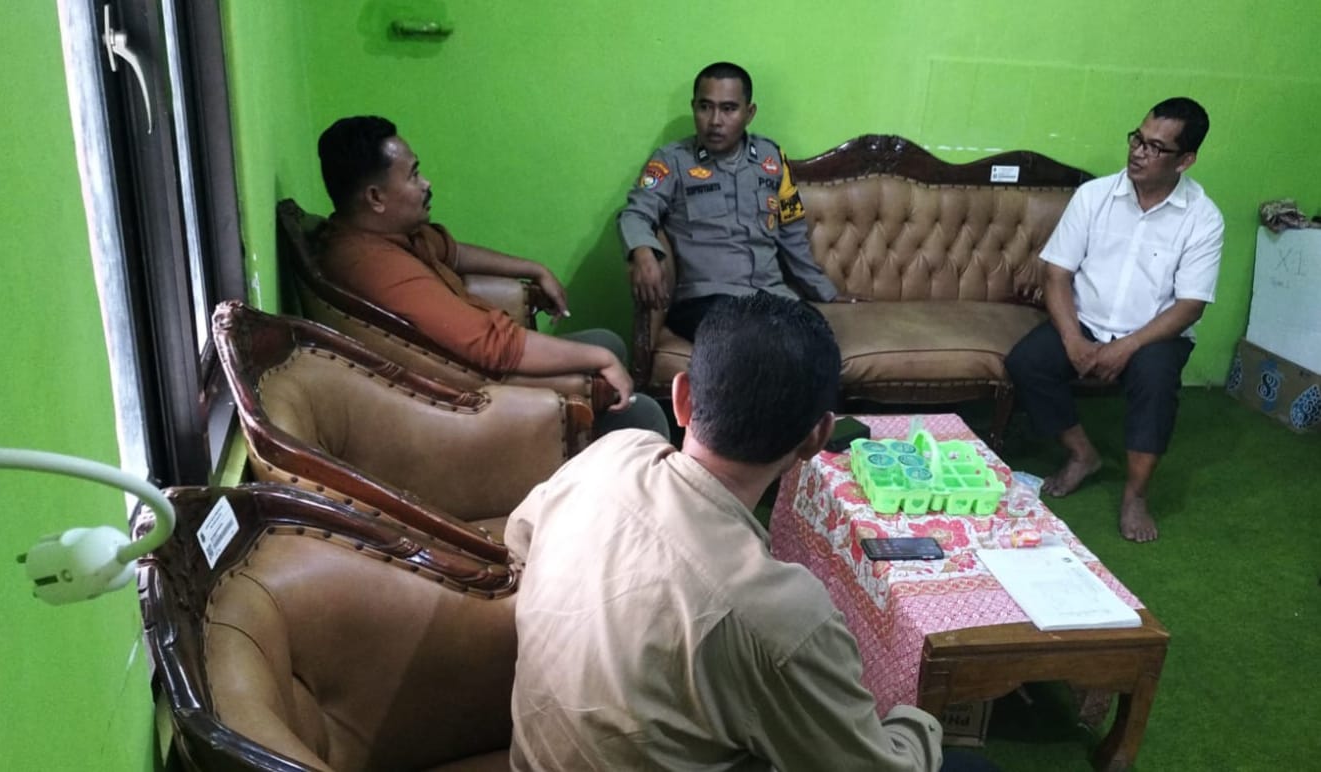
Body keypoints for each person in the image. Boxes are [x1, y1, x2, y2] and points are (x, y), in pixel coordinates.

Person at [507, 293, 967, 771]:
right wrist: (915, 718)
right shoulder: (781, 617)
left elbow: (519, 539)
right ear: (817, 437)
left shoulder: (612, 454)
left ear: (682, 399)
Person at [316, 115, 668, 438]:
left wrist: (534, 269)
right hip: (474, 395)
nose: (426, 183)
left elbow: (453, 252)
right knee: (642, 411)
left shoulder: (390, 235)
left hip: (482, 365)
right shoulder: (376, 265)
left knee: (607, 340)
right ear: (375, 197)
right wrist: (600, 360)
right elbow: (495, 346)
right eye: (413, 175)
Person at [1005, 97, 1224, 543]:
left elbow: (1190, 306)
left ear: (1185, 160)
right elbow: (1057, 274)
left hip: (1155, 333)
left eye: (1155, 147)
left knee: (1156, 382)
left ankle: (1135, 495)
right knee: (1027, 362)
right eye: (1137, 139)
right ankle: (1082, 454)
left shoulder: (1203, 218)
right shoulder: (1095, 196)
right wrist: (1073, 340)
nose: (1138, 152)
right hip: (1086, 320)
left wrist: (1126, 347)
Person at [618, 62, 859, 342]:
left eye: (729, 109)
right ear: (693, 107)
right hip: (706, 300)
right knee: (761, 339)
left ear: (749, 113)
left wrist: (826, 293)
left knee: (819, 338)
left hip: (770, 296)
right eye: (705, 107)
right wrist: (642, 252)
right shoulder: (673, 161)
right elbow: (635, 213)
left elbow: (792, 233)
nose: (715, 121)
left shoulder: (771, 159)